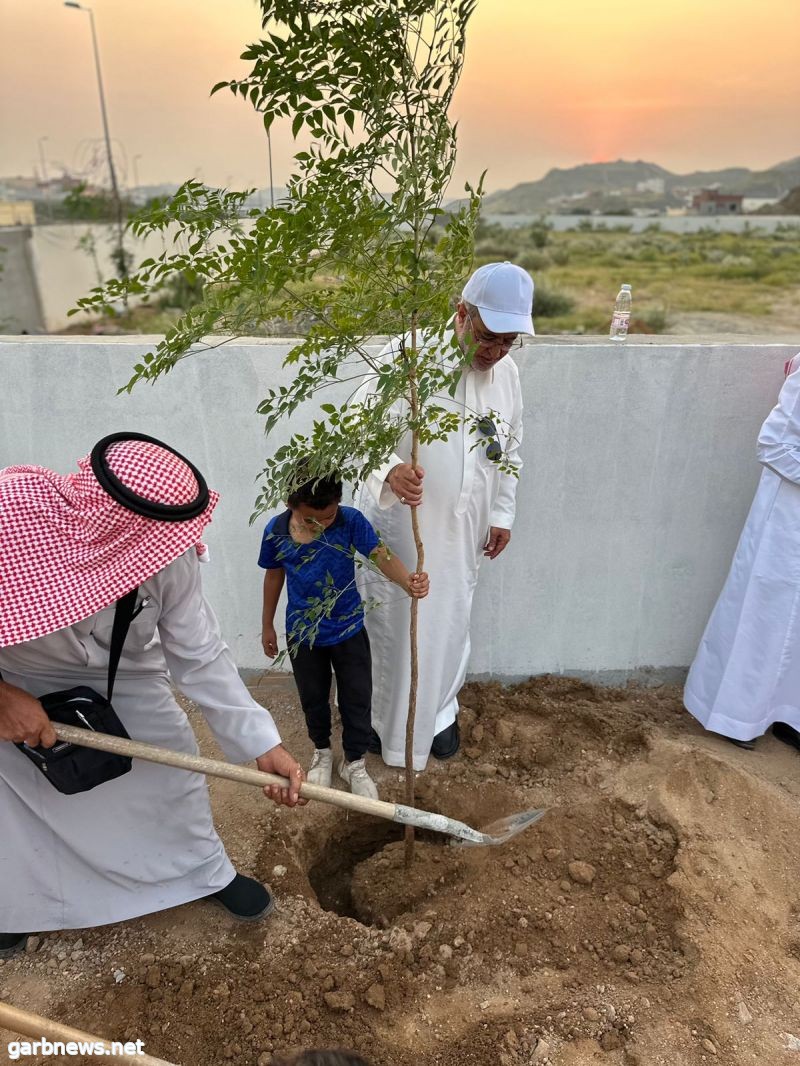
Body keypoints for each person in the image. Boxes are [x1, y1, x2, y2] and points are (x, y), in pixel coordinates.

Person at [0, 433, 305, 959]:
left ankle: (204, 873)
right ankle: (18, 906)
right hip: (21, 680)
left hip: (129, 679)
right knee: (21, 804)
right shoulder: (13, 519)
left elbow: (201, 655)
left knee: (172, 771)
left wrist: (261, 742)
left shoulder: (170, 551)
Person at [355, 261, 533, 772]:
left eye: (507, 342)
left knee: (452, 619)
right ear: (461, 315)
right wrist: (388, 472)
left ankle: (437, 713)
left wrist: (502, 510)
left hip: (464, 530)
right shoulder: (405, 356)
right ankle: (385, 726)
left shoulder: (507, 375)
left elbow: (510, 448)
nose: (494, 352)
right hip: (404, 529)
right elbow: (357, 429)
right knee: (395, 621)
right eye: (487, 337)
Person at [259, 468, 429, 799]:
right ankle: (322, 753)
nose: (321, 525)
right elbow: (273, 577)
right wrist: (267, 625)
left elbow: (381, 555)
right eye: (312, 520)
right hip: (303, 634)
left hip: (349, 630)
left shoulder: (350, 522)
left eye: (328, 516)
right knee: (313, 699)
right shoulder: (276, 532)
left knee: (357, 698)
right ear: (291, 504)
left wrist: (408, 581)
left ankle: (354, 762)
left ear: (338, 502)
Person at [684, 352, 800, 751]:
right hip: (784, 523)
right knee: (761, 616)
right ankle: (732, 716)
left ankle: (788, 717)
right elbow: (772, 445)